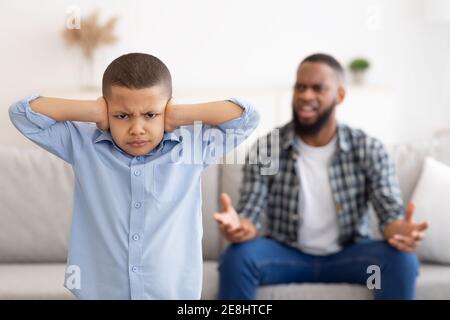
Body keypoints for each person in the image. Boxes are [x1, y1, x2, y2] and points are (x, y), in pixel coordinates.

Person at [9, 52, 260, 299]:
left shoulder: (192, 147)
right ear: (107, 112)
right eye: (122, 115)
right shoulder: (82, 145)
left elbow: (248, 117)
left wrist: (178, 114)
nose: (137, 129)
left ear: (166, 109)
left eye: (150, 115)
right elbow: (21, 113)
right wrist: (93, 110)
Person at [214, 53, 428, 300]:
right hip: (285, 256)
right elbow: (250, 213)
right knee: (237, 258)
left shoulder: (368, 149)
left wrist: (402, 231)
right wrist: (240, 227)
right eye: (300, 87)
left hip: (351, 257)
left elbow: (390, 218)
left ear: (340, 95)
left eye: (318, 88)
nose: (306, 96)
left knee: (401, 260)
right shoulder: (268, 148)